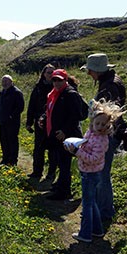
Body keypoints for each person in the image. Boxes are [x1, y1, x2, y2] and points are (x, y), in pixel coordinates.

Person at [65, 99, 124, 243]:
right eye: (97, 123)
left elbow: (93, 158)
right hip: (87, 172)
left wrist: (77, 152)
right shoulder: (90, 133)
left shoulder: (102, 140)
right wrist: (76, 145)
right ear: (92, 122)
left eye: (103, 124)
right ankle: (97, 230)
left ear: (108, 125)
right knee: (92, 203)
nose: (99, 127)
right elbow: (86, 145)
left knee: (87, 204)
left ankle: (85, 233)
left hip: (91, 173)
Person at [80, 53, 126, 220]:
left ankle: (104, 212)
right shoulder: (112, 81)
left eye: (90, 70)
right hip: (111, 134)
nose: (88, 74)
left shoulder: (108, 86)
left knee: (101, 174)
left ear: (96, 70)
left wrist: (98, 129)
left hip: (107, 136)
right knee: (102, 173)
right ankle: (102, 209)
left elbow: (109, 115)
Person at [42, 69, 88, 200]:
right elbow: (50, 111)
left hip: (66, 136)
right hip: (56, 134)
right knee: (59, 161)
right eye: (54, 80)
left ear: (65, 80)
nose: (56, 83)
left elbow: (76, 116)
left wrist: (65, 131)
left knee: (64, 163)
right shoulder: (54, 94)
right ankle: (60, 187)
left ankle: (64, 191)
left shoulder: (70, 94)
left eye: (59, 80)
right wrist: (44, 119)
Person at [26, 64, 57, 180]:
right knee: (38, 148)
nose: (50, 75)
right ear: (43, 74)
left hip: (53, 122)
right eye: (48, 72)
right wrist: (29, 122)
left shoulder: (57, 87)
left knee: (53, 150)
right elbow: (31, 105)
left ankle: (51, 174)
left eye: (52, 72)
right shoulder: (38, 87)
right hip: (39, 123)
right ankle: (37, 172)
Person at [0, 74, 24, 166]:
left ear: (11, 82)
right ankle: (5, 159)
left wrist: (11, 116)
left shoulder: (17, 92)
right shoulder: (2, 92)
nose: (4, 83)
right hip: (2, 122)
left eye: (6, 81)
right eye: (3, 81)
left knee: (12, 141)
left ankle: (12, 161)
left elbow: (20, 107)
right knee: (4, 141)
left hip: (12, 123)